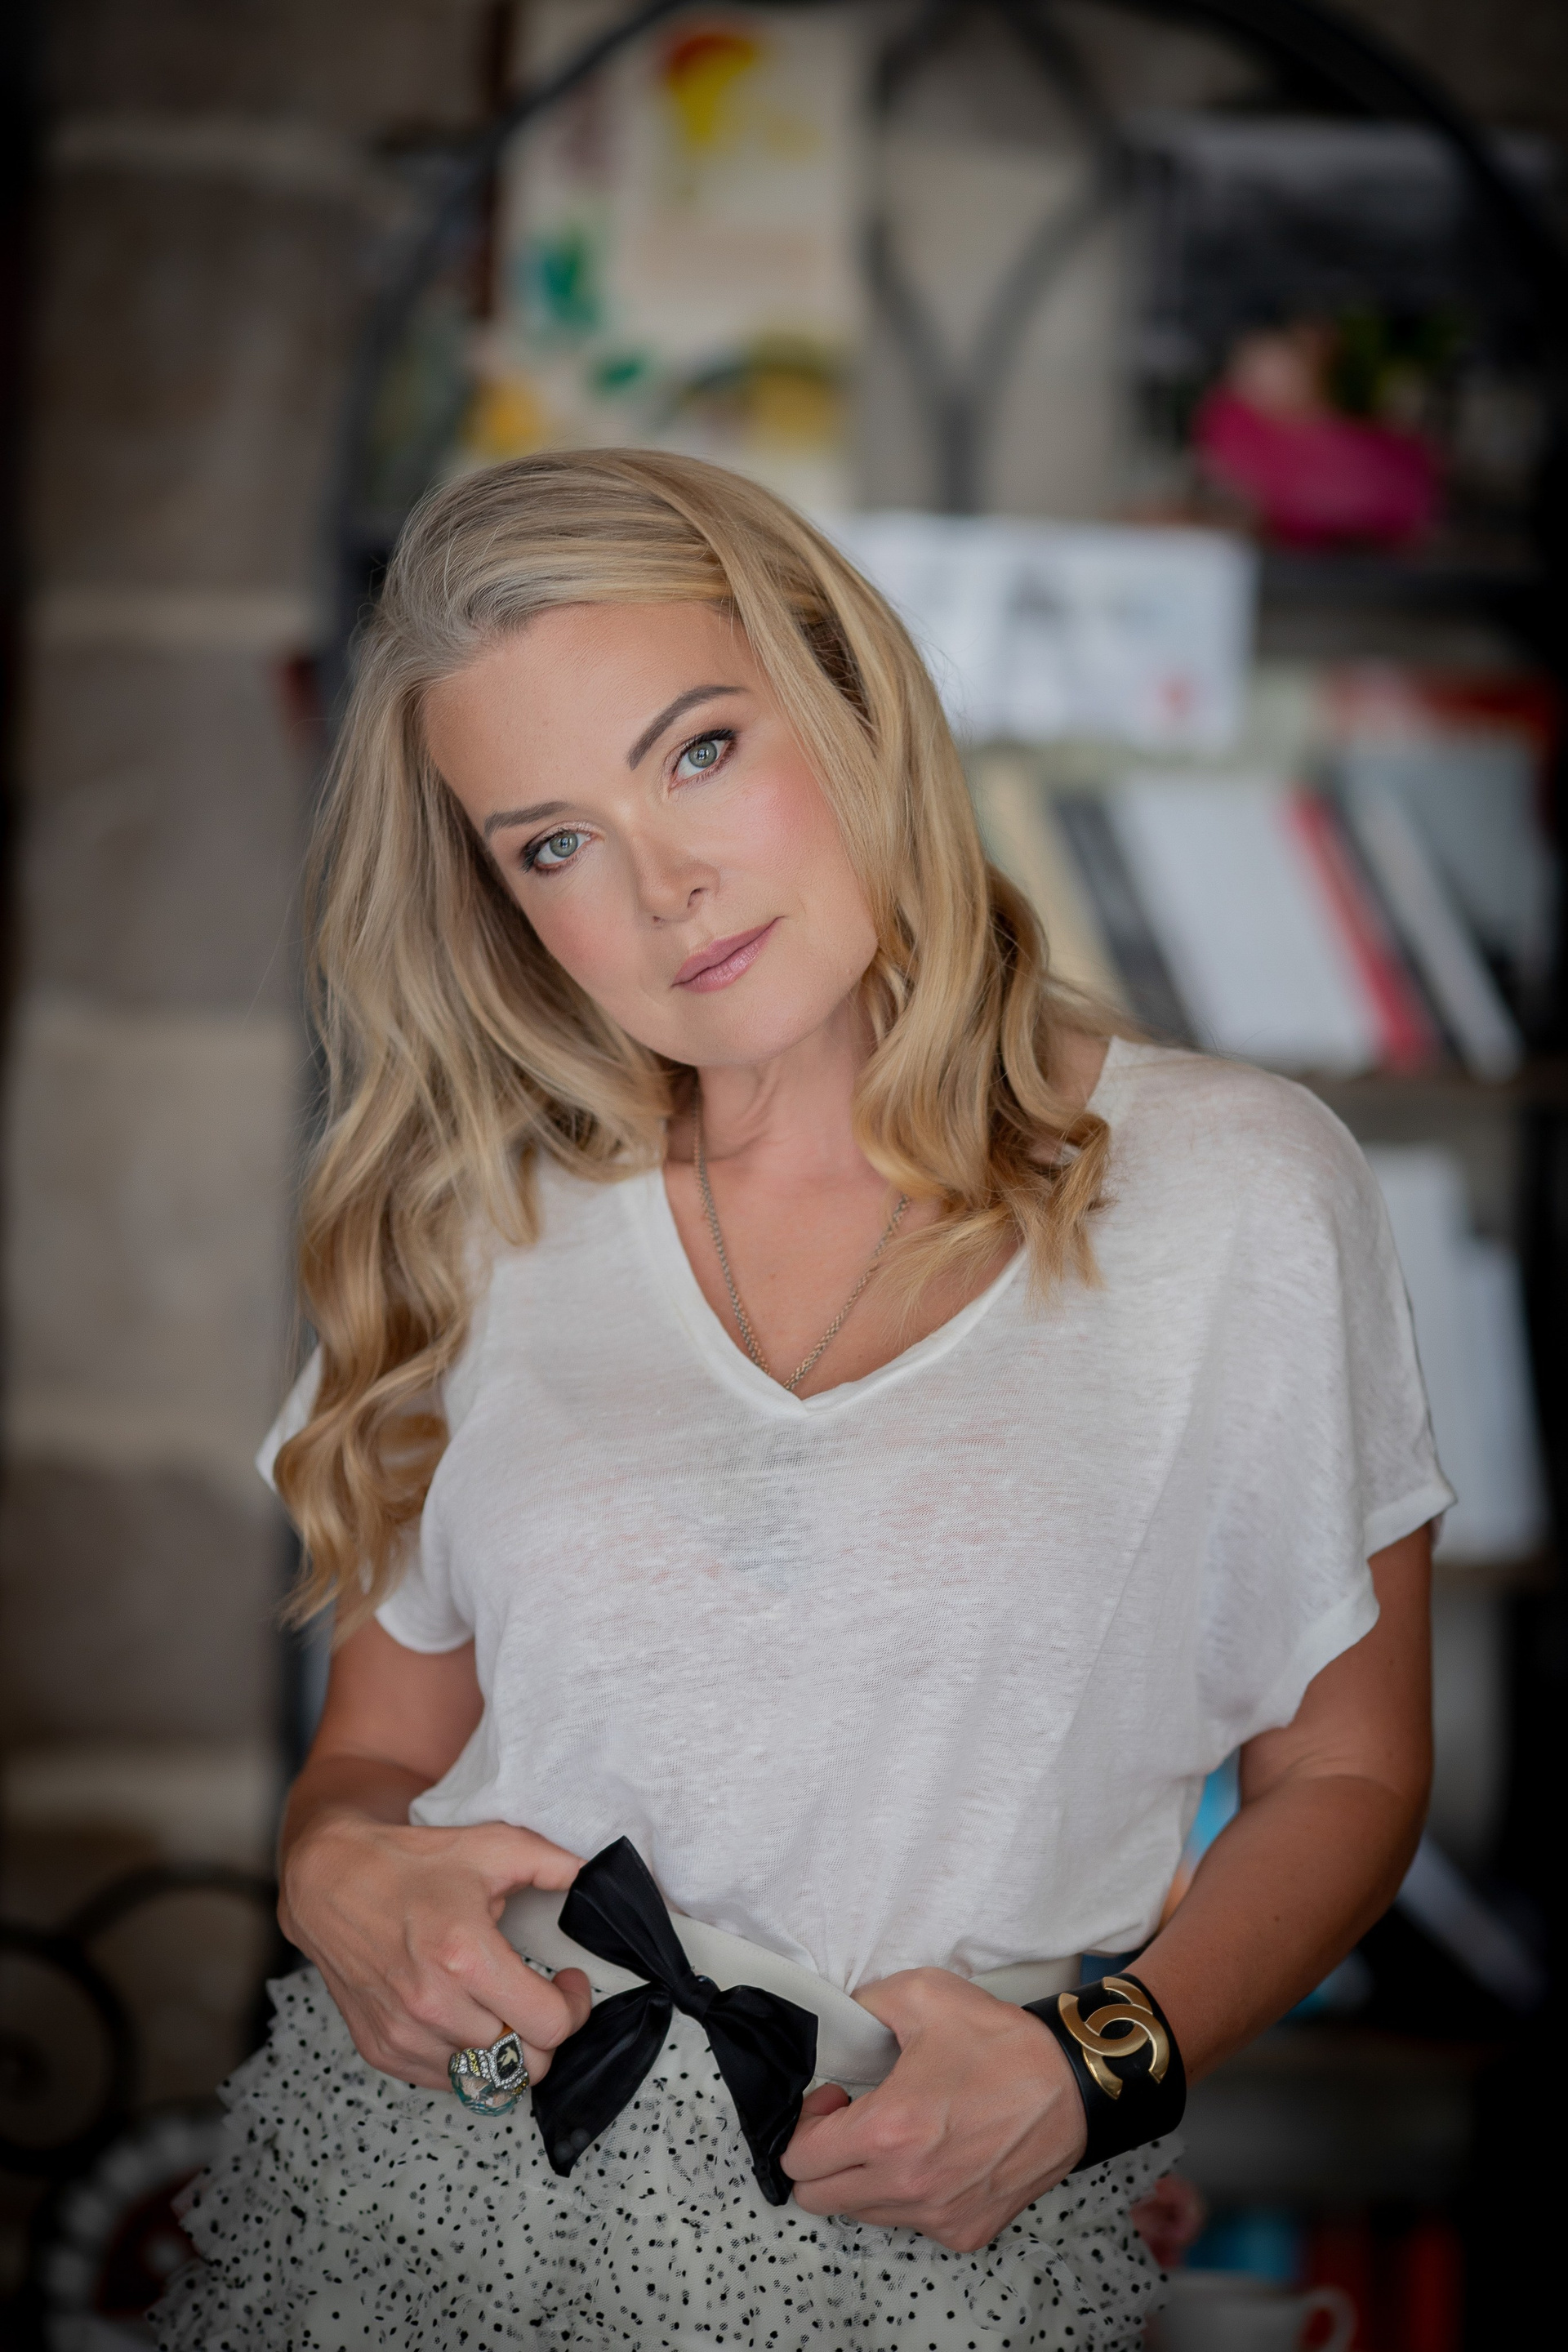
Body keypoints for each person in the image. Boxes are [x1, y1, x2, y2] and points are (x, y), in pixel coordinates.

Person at [156, 449, 1446, 2352]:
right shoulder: (479, 1223)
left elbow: (1349, 1775)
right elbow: (378, 1758)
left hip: (936, 2234)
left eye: (698, 752)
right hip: (430, 2195)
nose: (663, 887)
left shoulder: (1236, 1189)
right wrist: (334, 1868)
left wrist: (1101, 2065)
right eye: (552, 845)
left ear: (850, 699)